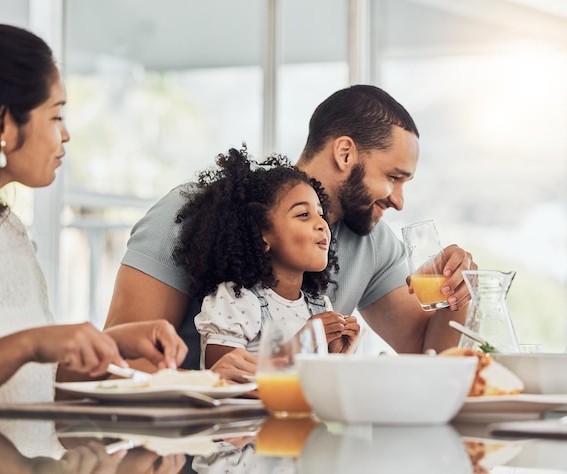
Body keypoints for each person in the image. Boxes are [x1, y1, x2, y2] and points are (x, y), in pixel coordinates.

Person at [105, 84, 476, 378]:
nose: (398, 201)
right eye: (393, 178)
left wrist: (453, 294)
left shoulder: (375, 244)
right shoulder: (194, 212)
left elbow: (431, 356)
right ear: (345, 154)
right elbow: (120, 361)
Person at [0, 23, 188, 411]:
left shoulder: (10, 232)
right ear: (2, 126)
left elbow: (31, 383)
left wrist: (113, 343)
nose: (67, 135)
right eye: (56, 116)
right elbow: (21, 353)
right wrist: (34, 341)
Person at [172, 147, 360, 369]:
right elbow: (224, 372)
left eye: (321, 214)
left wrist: (339, 356)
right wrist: (302, 342)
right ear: (261, 236)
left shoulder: (320, 306)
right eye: (303, 215)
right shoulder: (237, 300)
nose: (322, 224)